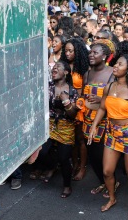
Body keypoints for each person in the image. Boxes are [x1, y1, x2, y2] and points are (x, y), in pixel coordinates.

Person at [88, 54, 128, 219]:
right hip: (111, 131)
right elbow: (102, 108)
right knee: (107, 171)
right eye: (115, 63)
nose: (115, 66)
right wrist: (94, 126)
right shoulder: (109, 87)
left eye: (119, 64)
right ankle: (112, 198)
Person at [82, 43, 114, 195]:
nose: (91, 55)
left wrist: (101, 98)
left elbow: (117, 97)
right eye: (90, 52)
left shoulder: (112, 74)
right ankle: (102, 181)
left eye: (96, 52)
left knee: (103, 155)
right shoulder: (87, 74)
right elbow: (82, 95)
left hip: (105, 121)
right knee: (93, 154)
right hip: (88, 119)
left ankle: (112, 183)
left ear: (104, 56)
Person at [60, 38, 90, 181]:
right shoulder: (63, 66)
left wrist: (77, 104)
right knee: (71, 139)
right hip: (65, 105)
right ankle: (75, 163)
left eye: (70, 51)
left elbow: (85, 91)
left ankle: (83, 167)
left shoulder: (83, 68)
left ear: (77, 52)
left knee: (80, 139)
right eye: (66, 50)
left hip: (78, 106)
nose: (67, 53)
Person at [48, 60, 78, 198]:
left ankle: (67, 185)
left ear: (66, 72)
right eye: (53, 67)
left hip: (66, 127)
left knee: (64, 158)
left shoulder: (72, 91)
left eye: (57, 68)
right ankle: (51, 166)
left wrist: (66, 101)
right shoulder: (46, 86)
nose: (54, 69)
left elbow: (72, 114)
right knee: (42, 152)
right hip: (49, 125)